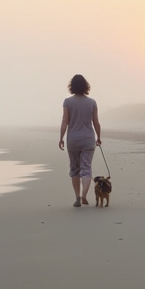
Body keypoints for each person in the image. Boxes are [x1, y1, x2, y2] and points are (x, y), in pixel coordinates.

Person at [58, 74, 101, 208]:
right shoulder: (92, 102)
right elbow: (96, 122)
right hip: (88, 138)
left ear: (72, 86)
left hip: (73, 139)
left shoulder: (68, 102)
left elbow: (65, 121)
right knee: (86, 169)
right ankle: (84, 195)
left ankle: (77, 197)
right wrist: (99, 137)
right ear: (85, 86)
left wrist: (61, 137)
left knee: (75, 169)